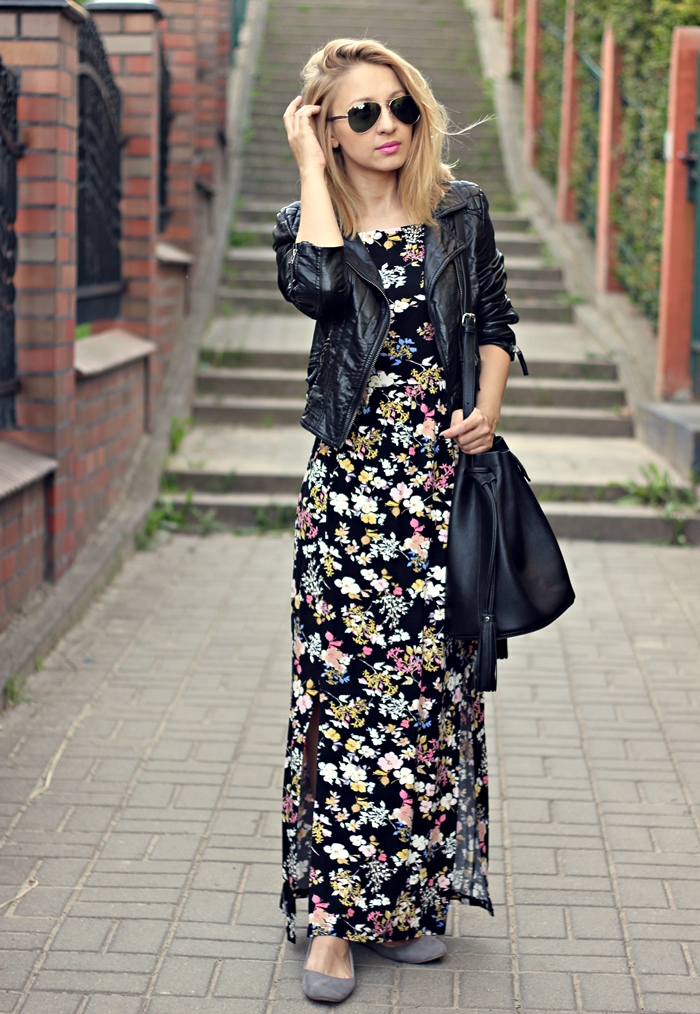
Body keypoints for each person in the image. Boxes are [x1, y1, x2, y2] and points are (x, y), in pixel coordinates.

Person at [273, 38, 519, 1004]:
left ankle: (406, 906)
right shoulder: (306, 221)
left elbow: (495, 321)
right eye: (362, 113)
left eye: (402, 107)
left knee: (423, 707)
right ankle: (334, 927)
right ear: (327, 129)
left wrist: (486, 410)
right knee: (344, 704)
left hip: (441, 493)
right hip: (350, 500)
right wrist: (309, 166)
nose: (388, 127)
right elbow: (320, 292)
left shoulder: (459, 211)